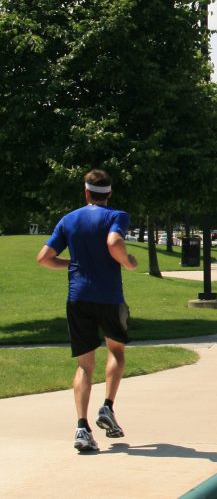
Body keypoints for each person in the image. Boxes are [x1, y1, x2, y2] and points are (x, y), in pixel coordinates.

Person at [36, 169, 138, 453]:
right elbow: (114, 242)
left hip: (78, 297)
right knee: (116, 351)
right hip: (109, 297)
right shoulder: (117, 216)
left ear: (86, 192)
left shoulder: (69, 220)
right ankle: (107, 407)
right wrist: (128, 262)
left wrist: (72, 264)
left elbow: (44, 258)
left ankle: (82, 427)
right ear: (109, 194)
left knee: (84, 364)